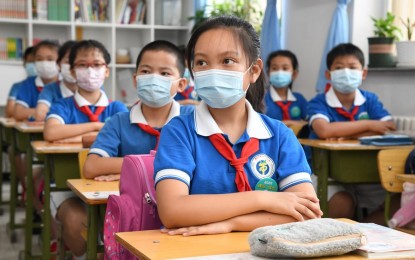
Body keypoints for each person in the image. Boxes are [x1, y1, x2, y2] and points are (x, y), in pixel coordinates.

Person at [154, 16, 322, 236]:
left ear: (254, 70)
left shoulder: (279, 135)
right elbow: (173, 211)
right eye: (202, 62)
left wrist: (231, 224)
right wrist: (263, 199)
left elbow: (307, 211)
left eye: (227, 61)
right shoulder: (179, 131)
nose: (213, 71)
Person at [43, 39, 128, 259]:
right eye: (82, 65)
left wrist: (73, 134)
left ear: (107, 71)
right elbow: (51, 133)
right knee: (76, 223)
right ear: (71, 71)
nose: (90, 70)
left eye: (97, 64)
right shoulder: (63, 105)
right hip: (66, 188)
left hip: (109, 187)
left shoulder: (116, 108)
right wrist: (97, 127)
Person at [307, 43, 397, 222]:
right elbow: (324, 130)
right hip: (324, 172)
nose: (346, 72)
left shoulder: (369, 99)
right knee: (343, 203)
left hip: (364, 170)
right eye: (339, 68)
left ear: (363, 73)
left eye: (352, 67)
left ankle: (363, 229)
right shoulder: (318, 102)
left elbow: (389, 127)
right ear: (328, 74)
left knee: (396, 202)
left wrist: (347, 135)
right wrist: (370, 126)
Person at [84, 40, 194, 181]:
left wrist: (134, 170)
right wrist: (155, 165)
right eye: (146, 71)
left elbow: (202, 165)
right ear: (136, 80)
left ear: (181, 84)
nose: (154, 78)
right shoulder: (119, 122)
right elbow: (91, 167)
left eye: (165, 73)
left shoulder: (191, 118)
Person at [14, 40, 60, 121]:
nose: (44, 63)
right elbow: (18, 113)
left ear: (59, 61)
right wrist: (53, 112)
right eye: (39, 59)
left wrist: (35, 111)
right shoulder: (28, 84)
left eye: (50, 59)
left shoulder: (66, 83)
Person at [34, 40, 78, 121]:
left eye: (79, 63)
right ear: (59, 65)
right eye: (68, 62)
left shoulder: (94, 89)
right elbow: (40, 115)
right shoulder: (50, 89)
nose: (72, 67)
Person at [264, 50, 308, 128]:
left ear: (294, 74)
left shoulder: (299, 99)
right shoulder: (261, 99)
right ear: (268, 73)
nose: (279, 72)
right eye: (274, 68)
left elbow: (311, 123)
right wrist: (292, 123)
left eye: (285, 68)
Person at [5, 46, 37, 118]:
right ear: (24, 64)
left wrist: (25, 111)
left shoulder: (52, 87)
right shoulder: (18, 86)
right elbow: (11, 111)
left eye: (35, 62)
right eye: (30, 62)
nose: (33, 65)